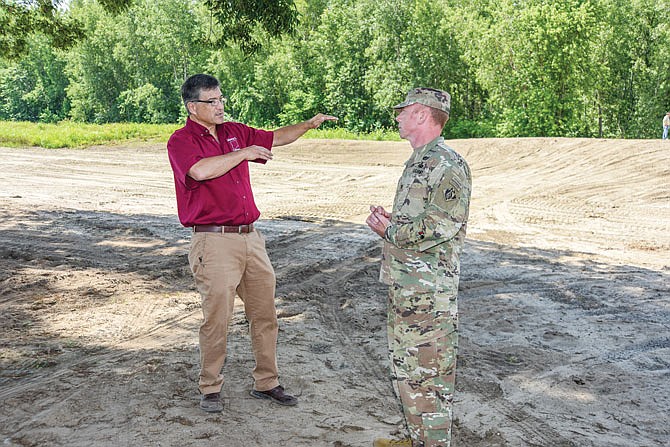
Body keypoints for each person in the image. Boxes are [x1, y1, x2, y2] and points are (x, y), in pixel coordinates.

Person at [167, 73, 337, 413]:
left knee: (265, 314)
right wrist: (243, 153)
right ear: (192, 107)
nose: (220, 106)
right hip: (213, 242)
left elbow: (275, 138)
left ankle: (267, 382)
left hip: (251, 237)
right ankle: (211, 387)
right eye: (211, 101)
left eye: (220, 99)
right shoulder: (182, 140)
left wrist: (308, 124)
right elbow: (200, 171)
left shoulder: (234, 131)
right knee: (217, 317)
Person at [366, 88, 471, 447]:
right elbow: (424, 217)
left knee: (430, 375)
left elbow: (441, 226)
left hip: (429, 294)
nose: (397, 116)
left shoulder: (447, 164)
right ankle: (417, 439)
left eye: (403, 110)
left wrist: (389, 230)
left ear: (423, 115)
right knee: (408, 370)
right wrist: (395, 218)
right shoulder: (420, 159)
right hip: (408, 287)